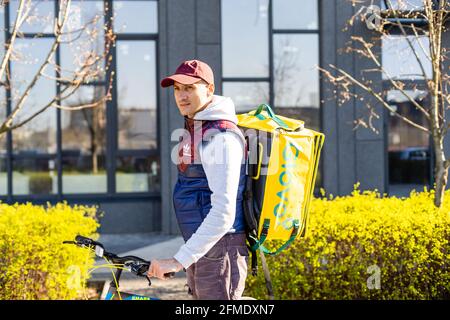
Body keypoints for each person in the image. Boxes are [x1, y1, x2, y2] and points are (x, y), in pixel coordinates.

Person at [146, 59, 249, 300]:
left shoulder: (220, 137)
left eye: (190, 88)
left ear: (209, 89)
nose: (182, 96)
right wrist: (187, 255)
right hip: (204, 249)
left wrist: (178, 260)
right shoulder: (200, 128)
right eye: (177, 89)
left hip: (220, 251)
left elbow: (224, 212)